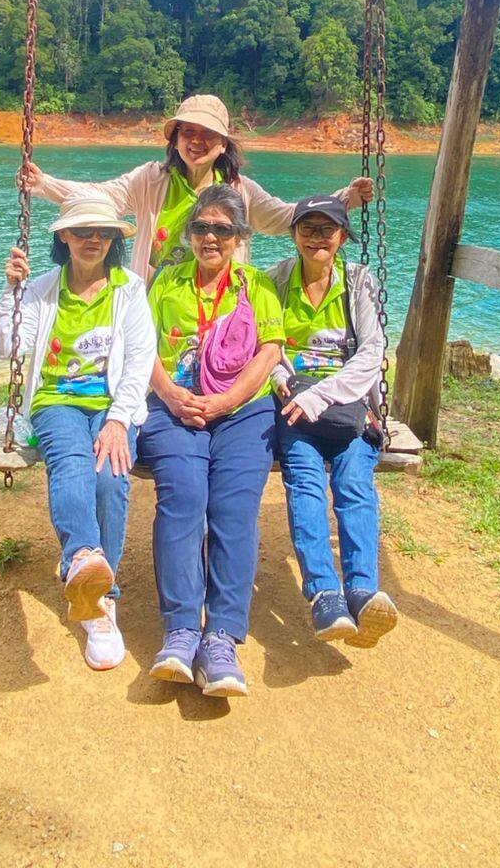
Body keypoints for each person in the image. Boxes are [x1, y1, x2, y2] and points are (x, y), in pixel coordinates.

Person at [0, 192, 156, 671]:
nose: (93, 239)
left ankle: (99, 597)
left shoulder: (130, 289)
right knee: (71, 464)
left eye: (103, 232)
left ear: (113, 239)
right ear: (64, 236)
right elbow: (8, 348)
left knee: (110, 477)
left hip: (113, 404)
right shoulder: (43, 289)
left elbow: (139, 361)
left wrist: (118, 419)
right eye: (82, 230)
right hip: (56, 401)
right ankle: (86, 564)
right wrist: (11, 292)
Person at [139, 184, 285, 697]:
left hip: (243, 412)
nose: (210, 237)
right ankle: (181, 630)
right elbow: (143, 346)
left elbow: (270, 353)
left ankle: (221, 636)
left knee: (232, 507)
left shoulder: (256, 285)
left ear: (239, 236)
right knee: (183, 497)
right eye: (201, 227)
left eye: (223, 229)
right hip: (173, 407)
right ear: (189, 233)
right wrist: (170, 393)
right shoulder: (166, 282)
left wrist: (224, 401)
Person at [19, 94, 373, 279]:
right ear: (175, 139)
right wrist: (43, 183)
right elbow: (99, 196)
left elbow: (287, 216)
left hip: (218, 305)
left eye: (208, 134)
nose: (197, 141)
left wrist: (345, 198)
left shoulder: (240, 190)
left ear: (223, 144)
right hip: (156, 303)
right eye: (188, 132)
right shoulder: (150, 180)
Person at [267, 195, 398, 648]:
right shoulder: (277, 280)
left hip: (348, 407)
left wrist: (320, 395)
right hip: (295, 409)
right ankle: (325, 592)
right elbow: (265, 343)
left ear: (342, 236)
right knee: (304, 482)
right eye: (307, 228)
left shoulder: (359, 281)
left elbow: (371, 353)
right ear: (293, 233)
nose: (316, 237)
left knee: (353, 482)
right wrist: (282, 380)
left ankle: (362, 590)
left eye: (327, 229)